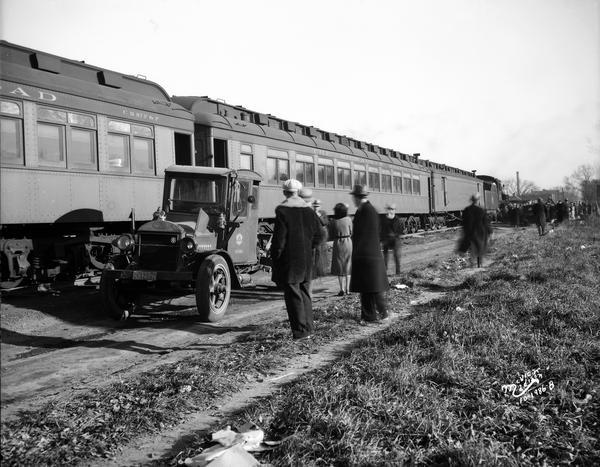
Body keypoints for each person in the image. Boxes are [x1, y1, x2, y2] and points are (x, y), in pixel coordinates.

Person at [270, 179, 324, 340]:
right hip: (306, 259)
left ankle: (300, 332)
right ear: (298, 192)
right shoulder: (309, 210)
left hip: (290, 260)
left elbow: (279, 240)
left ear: (285, 192)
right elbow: (320, 235)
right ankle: (309, 327)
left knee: (293, 295)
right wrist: (309, 247)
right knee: (305, 292)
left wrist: (276, 257)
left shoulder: (282, 210)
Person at [348, 185, 389, 323]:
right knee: (367, 288)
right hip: (366, 254)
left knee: (373, 288)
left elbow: (366, 235)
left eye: (354, 197)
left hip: (367, 255)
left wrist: (358, 251)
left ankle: (382, 313)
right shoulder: (364, 210)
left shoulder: (367, 211)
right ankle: (369, 316)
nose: (353, 199)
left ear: (357, 197)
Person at [457, 193, 492, 268]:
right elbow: (486, 222)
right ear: (477, 201)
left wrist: (464, 231)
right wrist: (489, 231)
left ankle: (472, 263)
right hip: (480, 232)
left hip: (470, 232)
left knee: (470, 247)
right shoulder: (481, 210)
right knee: (480, 246)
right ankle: (479, 263)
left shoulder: (467, 210)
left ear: (471, 200)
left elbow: (463, 222)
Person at [329, 202, 352, 296]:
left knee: (339, 265)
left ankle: (341, 289)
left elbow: (331, 234)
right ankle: (348, 289)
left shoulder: (333, 221)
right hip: (348, 242)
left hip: (338, 243)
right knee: (348, 264)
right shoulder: (349, 219)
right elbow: (351, 231)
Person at [380, 203, 403, 275]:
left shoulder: (397, 219)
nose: (391, 211)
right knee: (385, 257)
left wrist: (395, 235)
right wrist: (381, 239)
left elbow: (400, 230)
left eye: (392, 209)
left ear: (394, 210)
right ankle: (384, 272)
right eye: (389, 209)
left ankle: (398, 272)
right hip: (386, 239)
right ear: (387, 210)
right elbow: (381, 229)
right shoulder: (383, 219)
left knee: (396, 256)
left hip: (395, 240)